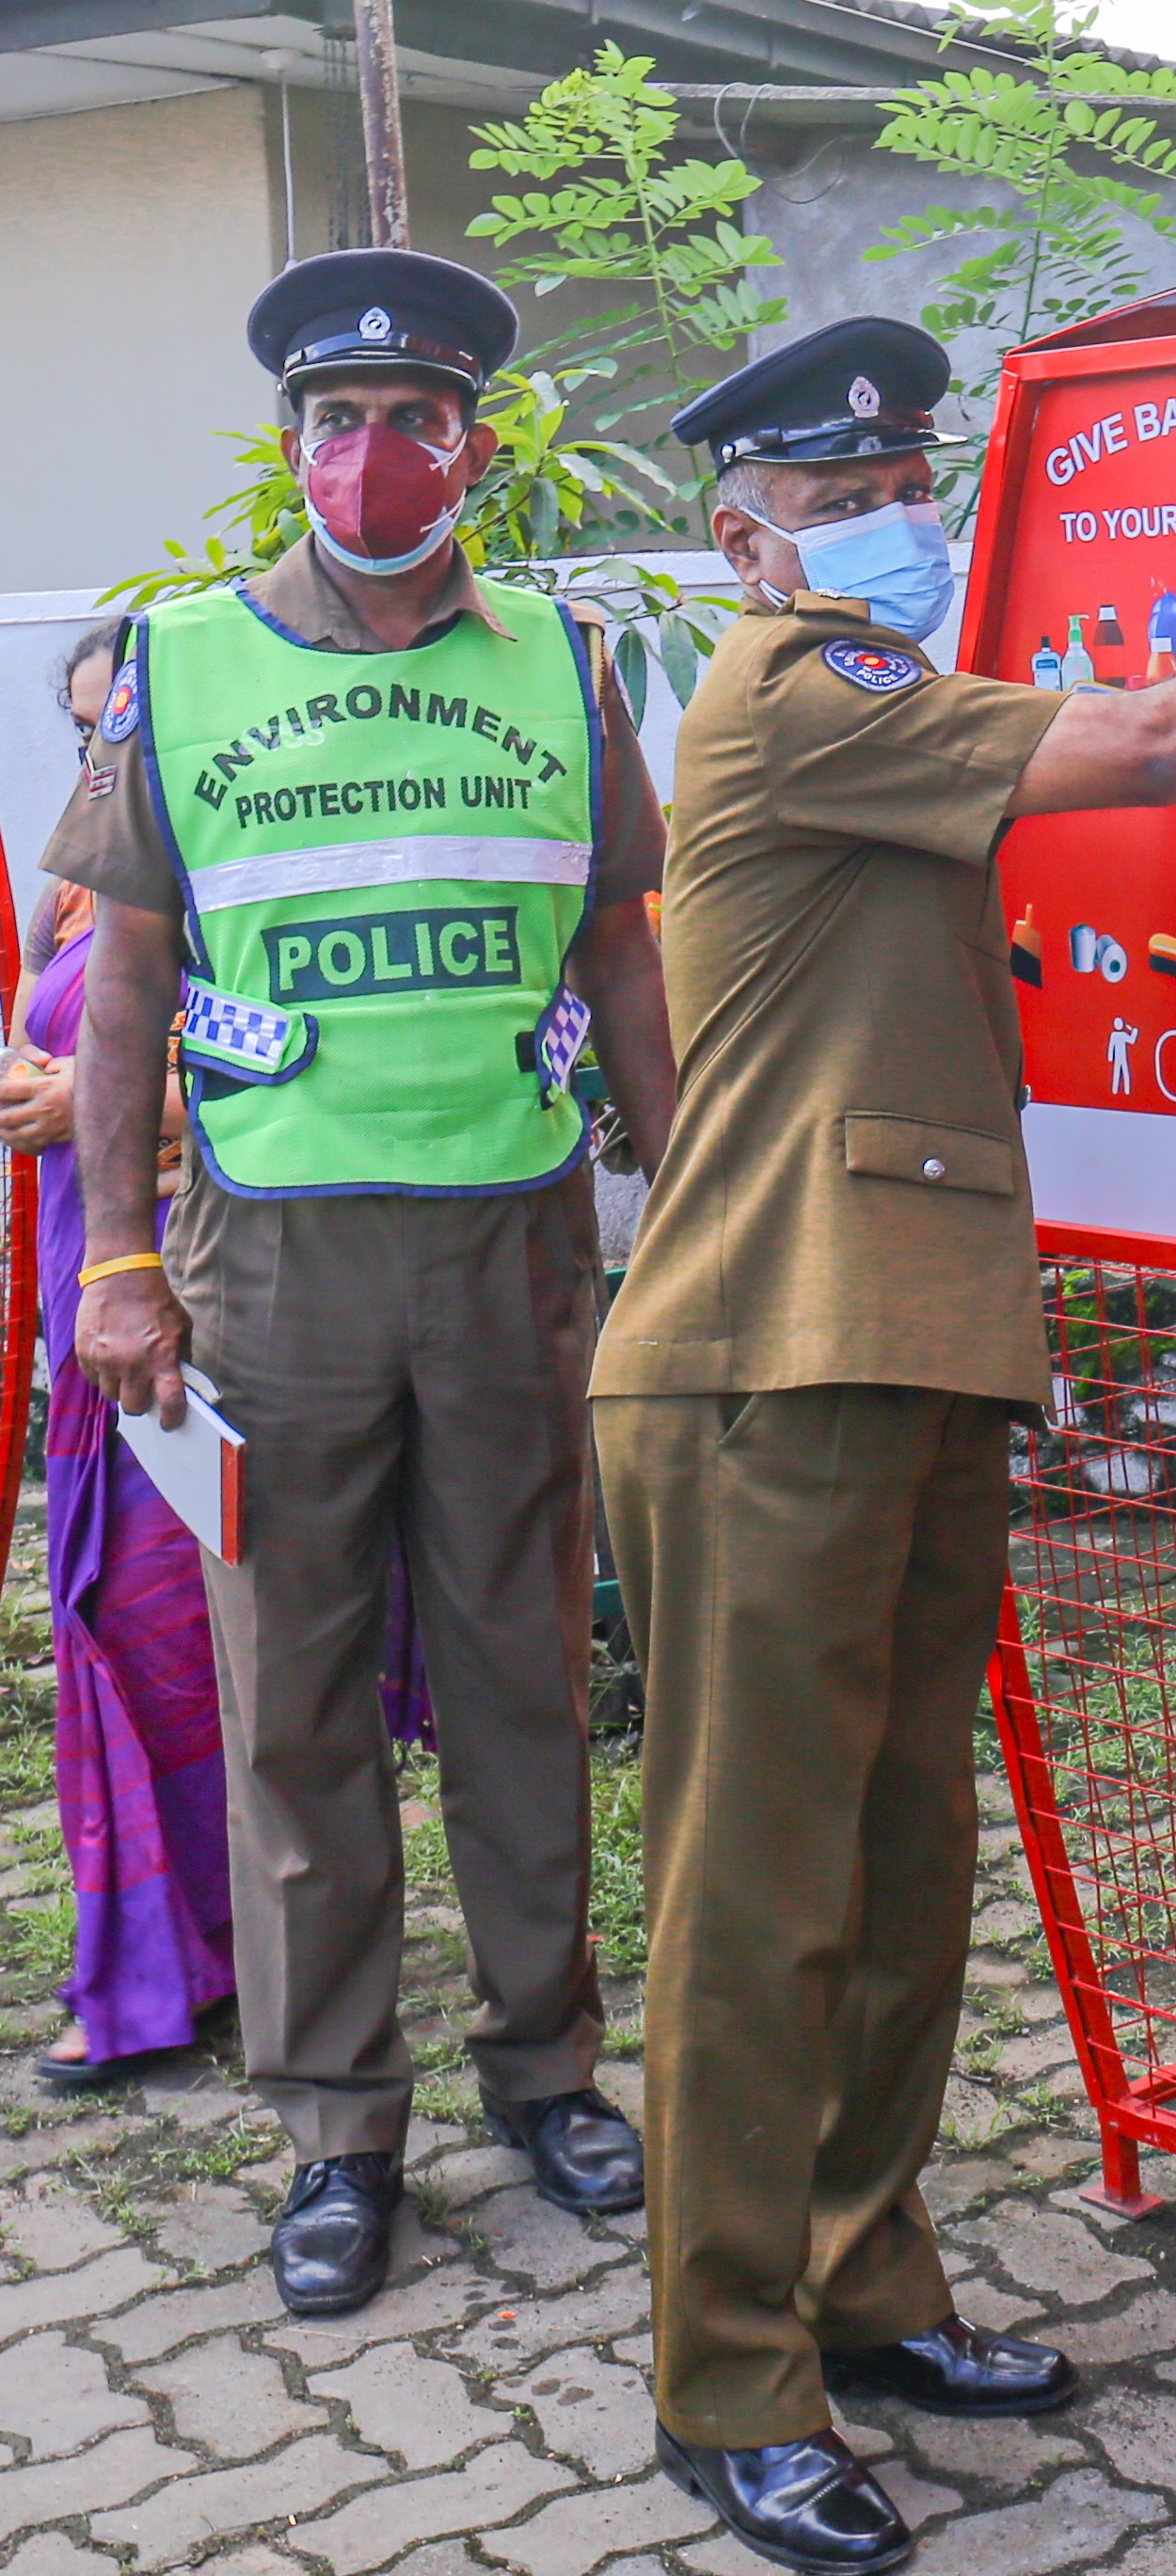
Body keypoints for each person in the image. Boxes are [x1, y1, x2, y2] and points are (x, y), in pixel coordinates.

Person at [593, 313, 1176, 2575]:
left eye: (900, 478)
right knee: (757, 1892)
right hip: (765, 1356)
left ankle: (868, 2278)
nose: (887, 516)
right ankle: (731, 2380)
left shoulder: (895, 706)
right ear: (743, 536)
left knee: (902, 1857)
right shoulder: (804, 688)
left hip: (905, 1339)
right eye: (836, 494)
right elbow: (1173, 732)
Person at [56, 247, 680, 2320]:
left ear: (471, 447)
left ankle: (548, 2069)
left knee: (522, 1679)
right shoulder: (184, 660)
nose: (374, 452)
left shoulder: (566, 661)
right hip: (272, 1262)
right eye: (338, 420)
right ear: (294, 446)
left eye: (414, 418)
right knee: (298, 1709)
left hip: (512, 1244)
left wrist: (689, 1190)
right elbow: (128, 978)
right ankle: (339, 2124)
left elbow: (620, 948)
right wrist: (121, 1259)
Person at [1, 623, 233, 2094]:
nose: (107, 752)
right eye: (88, 728)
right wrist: (42, 1083)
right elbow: (56, 1031)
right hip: (86, 1294)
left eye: (126, 723)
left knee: (166, 1639)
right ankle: (168, 1949)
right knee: (104, 1620)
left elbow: (290, 1071)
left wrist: (119, 1103)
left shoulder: (236, 866)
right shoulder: (84, 872)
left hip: (192, 1294)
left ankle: (180, 1963)